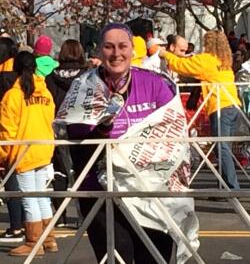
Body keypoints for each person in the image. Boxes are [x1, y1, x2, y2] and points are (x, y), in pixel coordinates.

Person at [67, 23, 177, 263]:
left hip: (150, 189)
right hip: (101, 191)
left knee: (155, 257)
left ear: (132, 50)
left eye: (122, 46)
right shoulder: (83, 86)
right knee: (117, 257)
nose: (116, 53)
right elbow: (76, 143)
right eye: (108, 47)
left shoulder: (155, 83)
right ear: (99, 51)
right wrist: (102, 130)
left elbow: (175, 133)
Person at [160, 30, 242, 189]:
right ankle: (224, 185)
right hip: (234, 105)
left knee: (221, 147)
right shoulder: (225, 61)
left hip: (220, 106)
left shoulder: (207, 60)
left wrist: (166, 54)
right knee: (226, 148)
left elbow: (182, 66)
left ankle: (232, 188)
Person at [0, 51, 58, 256]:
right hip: (44, 148)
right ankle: (49, 239)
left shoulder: (13, 95)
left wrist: (4, 156)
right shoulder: (45, 93)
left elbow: (8, 130)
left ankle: (34, 242)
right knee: (41, 196)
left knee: (29, 198)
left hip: (24, 151)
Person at [45, 39, 87, 227]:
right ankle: (83, 216)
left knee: (59, 171)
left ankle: (60, 214)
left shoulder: (51, 76)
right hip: (80, 125)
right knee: (83, 170)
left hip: (57, 125)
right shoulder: (87, 75)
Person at [0, 36, 25, 243]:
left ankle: (17, 226)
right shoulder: (20, 78)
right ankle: (24, 224)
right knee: (22, 182)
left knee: (11, 182)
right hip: (26, 132)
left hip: (7, 132)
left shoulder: (3, 78)